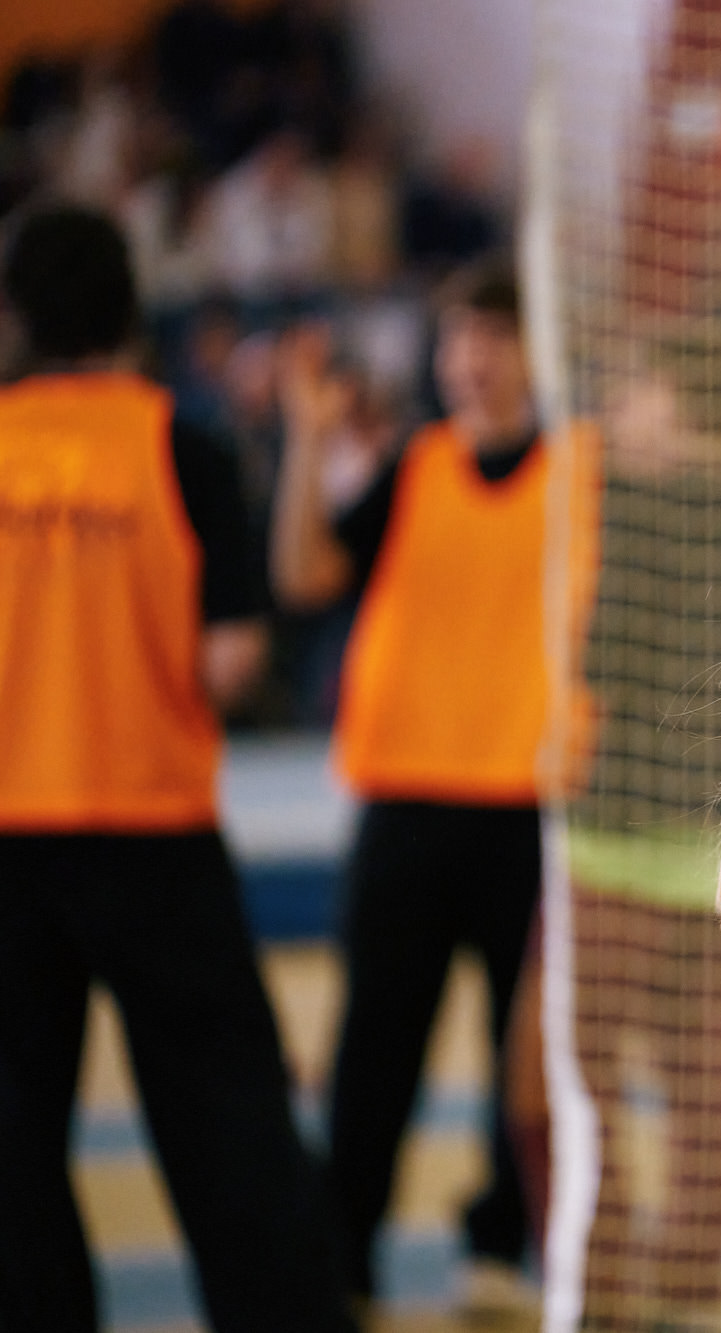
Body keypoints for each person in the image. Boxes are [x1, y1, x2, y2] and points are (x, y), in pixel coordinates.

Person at [0, 203, 353, 1333]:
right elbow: (230, 658)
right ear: (127, 308)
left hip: (8, 838)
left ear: (18, 316)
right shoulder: (182, 445)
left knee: (10, 1143)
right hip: (150, 830)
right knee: (227, 1123)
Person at [270, 257, 597, 1316]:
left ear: (534, 352)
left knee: (524, 1059)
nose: (470, 358)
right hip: (405, 803)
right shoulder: (414, 466)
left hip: (530, 808)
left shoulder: (585, 469)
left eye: (492, 336)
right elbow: (304, 576)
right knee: (375, 1048)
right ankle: (344, 1255)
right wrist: (306, 438)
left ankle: (497, 1245)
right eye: (456, 338)